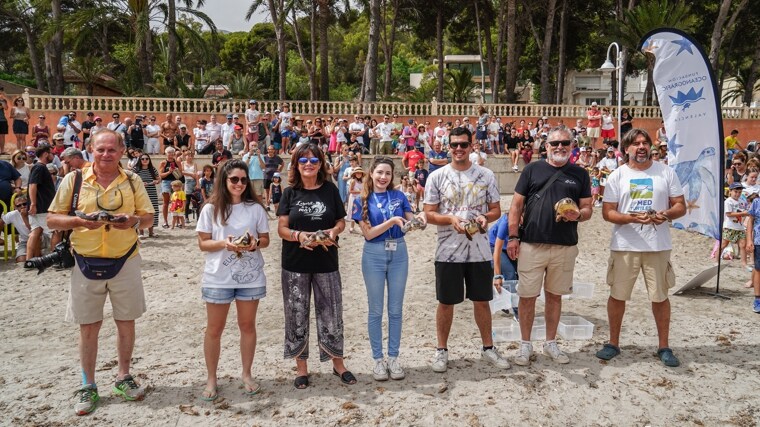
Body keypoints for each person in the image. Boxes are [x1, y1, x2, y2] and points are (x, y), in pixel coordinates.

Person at [47, 129, 154, 415]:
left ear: (121, 152)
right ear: (90, 149)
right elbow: (52, 219)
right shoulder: (74, 179)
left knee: (126, 321)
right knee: (88, 326)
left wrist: (132, 220)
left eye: (111, 150)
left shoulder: (132, 180)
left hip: (125, 259)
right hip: (85, 260)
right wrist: (79, 221)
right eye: (100, 149)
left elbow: (148, 218)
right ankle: (88, 384)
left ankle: (123, 376)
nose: (106, 154)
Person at [595, 128, 686, 367]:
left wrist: (665, 214)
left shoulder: (666, 172)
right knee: (617, 296)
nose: (641, 147)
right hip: (625, 245)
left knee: (660, 297)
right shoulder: (617, 175)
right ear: (626, 149)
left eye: (645, 142)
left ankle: (663, 346)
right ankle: (613, 343)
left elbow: (680, 206)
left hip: (658, 245)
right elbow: (608, 213)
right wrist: (632, 218)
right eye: (635, 143)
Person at [423, 126, 510, 373]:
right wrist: (450, 219)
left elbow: (496, 209)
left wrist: (485, 218)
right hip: (448, 251)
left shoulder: (485, 175)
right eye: (454, 145)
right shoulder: (437, 176)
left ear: (472, 146)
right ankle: (441, 350)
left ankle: (488, 347)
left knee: (482, 301)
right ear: (448, 147)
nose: (459, 149)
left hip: (480, 251)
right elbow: (429, 214)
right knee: (446, 302)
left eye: (463, 144)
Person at [506, 126, 593, 367]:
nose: (559, 147)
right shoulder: (532, 169)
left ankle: (550, 342)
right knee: (527, 297)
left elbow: (587, 208)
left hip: (564, 246)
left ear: (572, 146)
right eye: (554, 143)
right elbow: (515, 207)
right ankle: (525, 345)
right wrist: (513, 237)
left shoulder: (579, 174)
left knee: (555, 297)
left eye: (565, 143)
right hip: (532, 244)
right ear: (546, 147)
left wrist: (578, 215)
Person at [276, 143, 354, 389]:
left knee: (331, 313)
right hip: (295, 263)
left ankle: (337, 363)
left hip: (326, 261)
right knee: (296, 314)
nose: (308, 164)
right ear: (295, 165)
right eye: (303, 161)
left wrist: (334, 230)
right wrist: (299, 236)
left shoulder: (330, 190)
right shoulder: (289, 193)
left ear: (321, 164)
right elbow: (282, 229)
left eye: (313, 160)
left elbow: (341, 221)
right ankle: (301, 367)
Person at [195, 159, 269, 400]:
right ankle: (211, 378)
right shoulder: (210, 208)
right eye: (234, 179)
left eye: (243, 180)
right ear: (224, 181)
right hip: (218, 277)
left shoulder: (255, 208)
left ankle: (246, 374)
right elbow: (203, 244)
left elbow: (265, 240)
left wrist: (255, 243)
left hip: (250, 276)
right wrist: (225, 244)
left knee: (247, 326)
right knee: (214, 329)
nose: (239, 183)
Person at [352, 157, 425, 381]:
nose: (383, 177)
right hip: (373, 254)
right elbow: (369, 233)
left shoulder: (399, 196)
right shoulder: (361, 200)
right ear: (371, 173)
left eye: (388, 173)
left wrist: (420, 220)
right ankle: (378, 359)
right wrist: (393, 221)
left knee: (395, 309)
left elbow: (410, 223)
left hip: (399, 254)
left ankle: (393, 357)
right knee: (375, 310)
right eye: (380, 172)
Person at [27, 143, 58, 259]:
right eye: (51, 153)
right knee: (56, 230)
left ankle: (29, 260)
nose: (53, 155)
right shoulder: (40, 167)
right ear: (45, 154)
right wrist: (34, 204)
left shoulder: (39, 167)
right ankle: (54, 257)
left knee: (36, 231)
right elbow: (32, 185)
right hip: (42, 206)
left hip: (39, 205)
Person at [490, 213, 519, 319]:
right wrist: (497, 276)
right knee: (510, 275)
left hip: (510, 247)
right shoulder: (506, 222)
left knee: (519, 275)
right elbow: (497, 251)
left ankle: (503, 299)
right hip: (495, 246)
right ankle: (518, 314)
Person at [721, 183, 749, 270]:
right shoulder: (728, 201)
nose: (737, 194)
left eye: (739, 192)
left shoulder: (742, 201)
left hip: (740, 227)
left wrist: (745, 213)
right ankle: (716, 260)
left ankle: (744, 263)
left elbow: (745, 210)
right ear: (730, 191)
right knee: (724, 244)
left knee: (743, 245)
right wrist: (743, 213)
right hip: (729, 227)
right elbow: (729, 214)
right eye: (735, 192)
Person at [132, 153, 160, 238]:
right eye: (142, 159)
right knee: (141, 211)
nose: (145, 160)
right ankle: (141, 233)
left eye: (147, 159)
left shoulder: (152, 169)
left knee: (153, 211)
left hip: (152, 192)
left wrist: (156, 181)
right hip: (140, 193)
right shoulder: (135, 169)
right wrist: (140, 183)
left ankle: (151, 232)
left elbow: (158, 178)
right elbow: (130, 180)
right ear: (139, 160)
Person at [159, 147, 183, 228]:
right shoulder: (163, 162)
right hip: (166, 181)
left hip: (175, 182)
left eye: (172, 152)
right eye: (169, 152)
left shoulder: (177, 161)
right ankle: (165, 221)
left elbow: (181, 173)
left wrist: (176, 169)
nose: (171, 154)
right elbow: (161, 175)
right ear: (166, 153)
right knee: (165, 202)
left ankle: (178, 221)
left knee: (177, 201)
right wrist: (169, 172)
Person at [263, 145, 284, 210]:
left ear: (274, 150)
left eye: (271, 149)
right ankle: (268, 205)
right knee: (267, 191)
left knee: (276, 191)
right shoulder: (264, 157)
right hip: (266, 176)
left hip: (275, 177)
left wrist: (280, 169)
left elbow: (282, 163)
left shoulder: (277, 158)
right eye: (269, 149)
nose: (270, 151)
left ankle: (277, 206)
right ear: (267, 150)